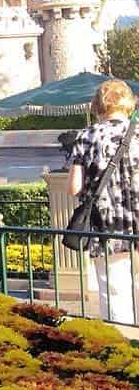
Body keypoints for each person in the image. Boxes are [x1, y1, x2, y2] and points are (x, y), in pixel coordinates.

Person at [68, 79, 139, 325]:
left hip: (107, 228)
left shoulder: (87, 136)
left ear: (98, 105)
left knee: (115, 296)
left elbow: (74, 187)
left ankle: (126, 354)